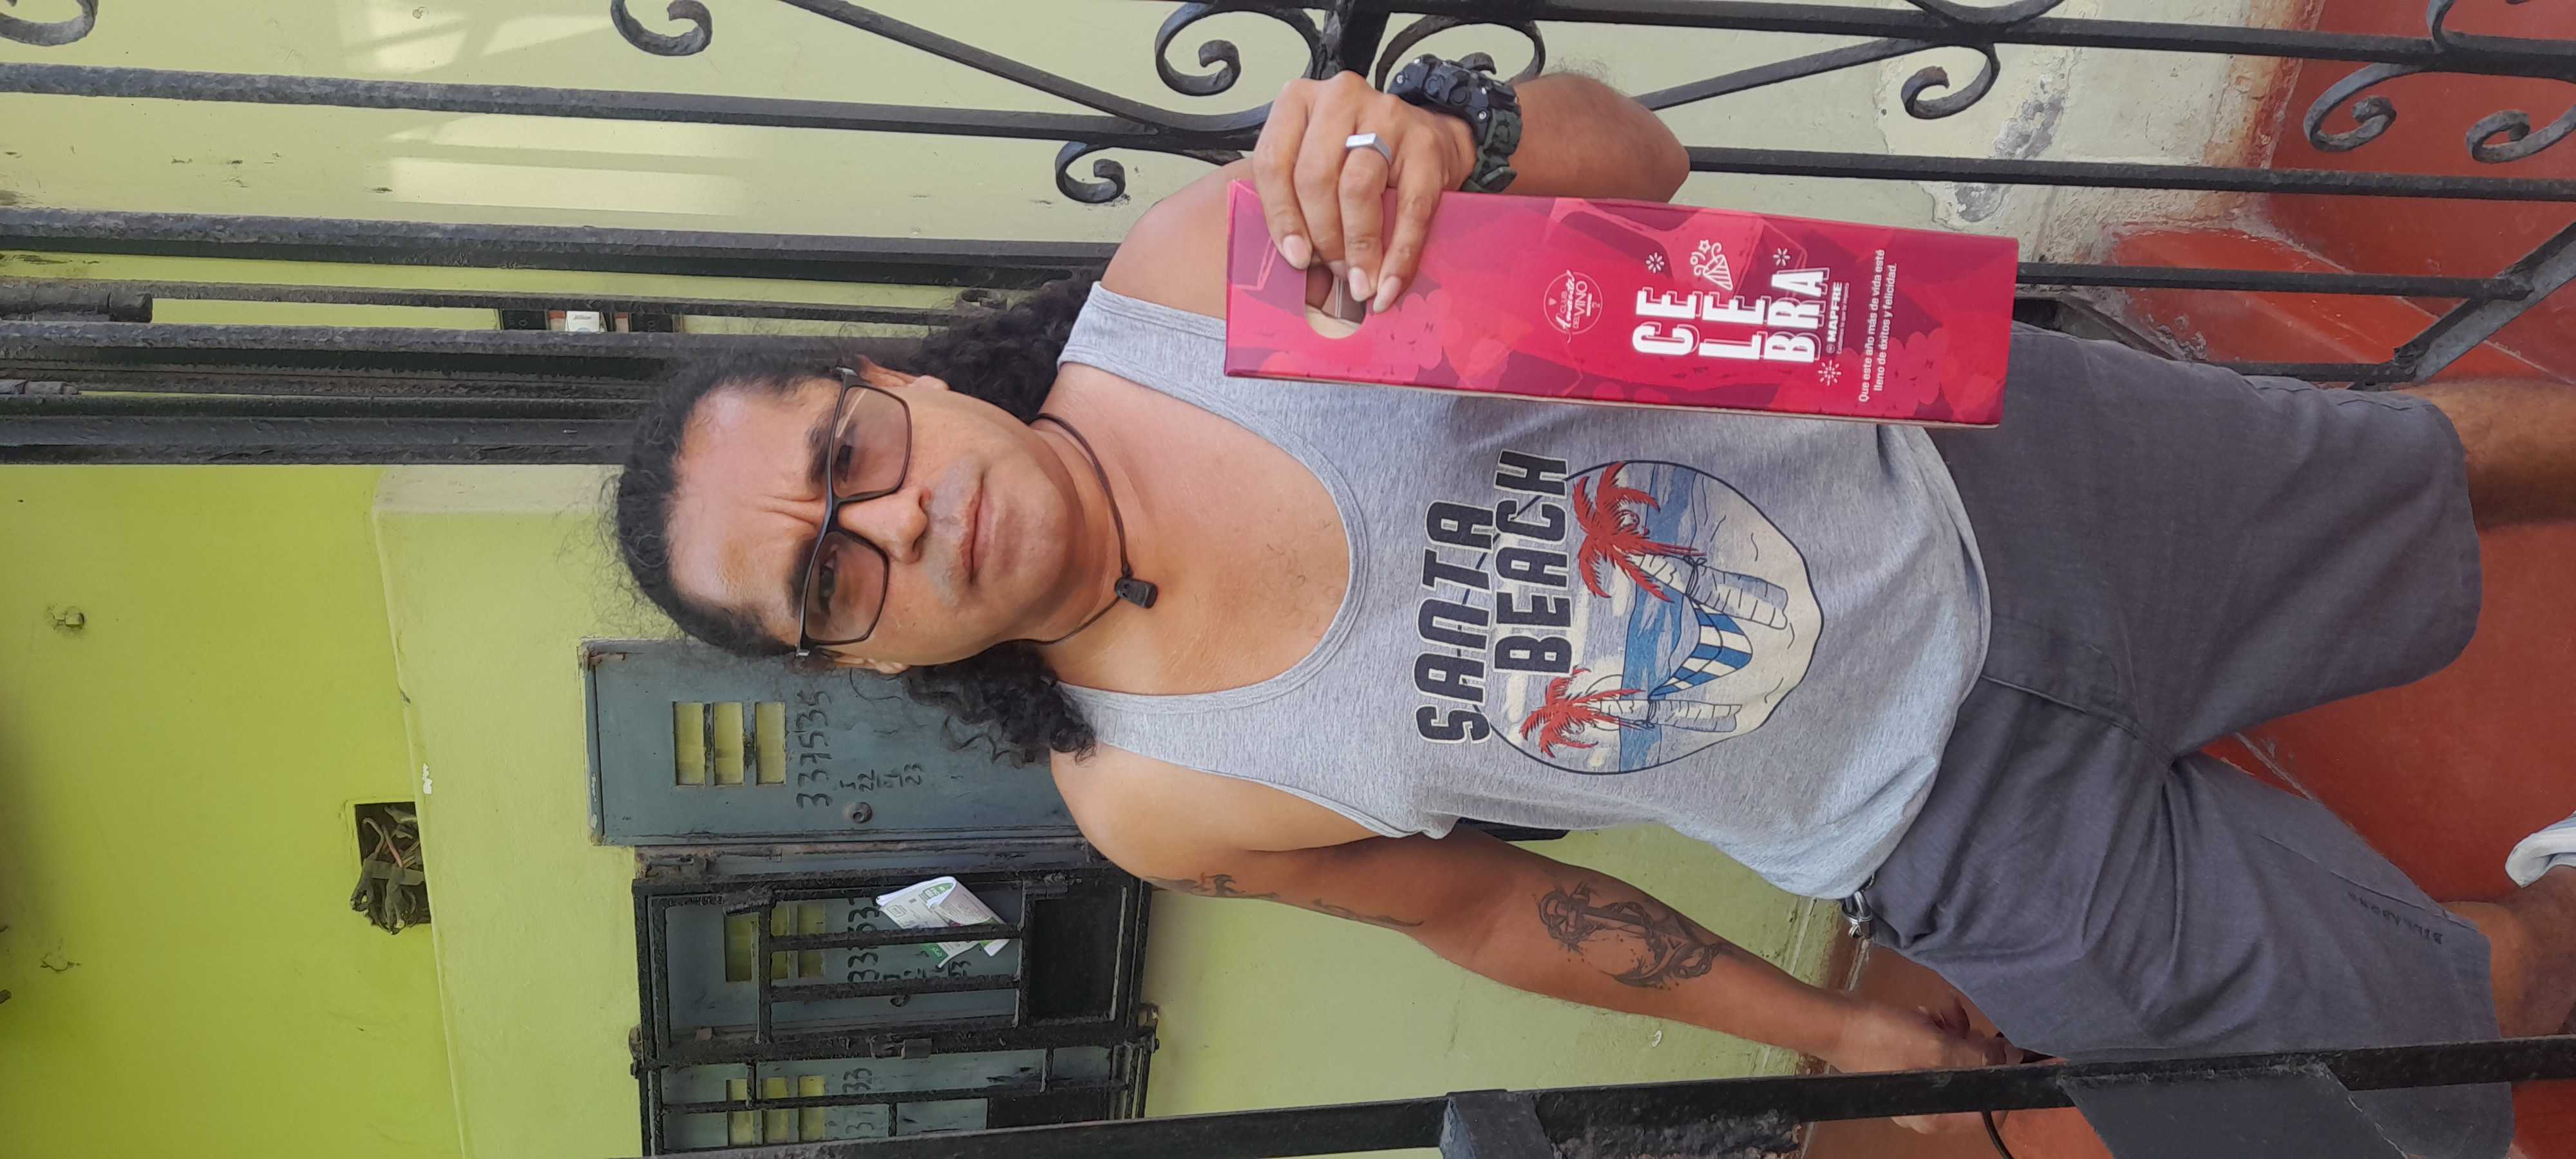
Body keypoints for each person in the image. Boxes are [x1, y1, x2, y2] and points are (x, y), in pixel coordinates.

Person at [612, 62, 2576, 1155]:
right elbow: (1480, 908)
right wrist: (1826, 1027)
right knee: (2388, 1059)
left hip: (1994, 488)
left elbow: (1635, 165)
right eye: (829, 577)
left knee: (2426, 470)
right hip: (1947, 833)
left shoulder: (1200, 277)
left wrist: (1450, 130)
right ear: (858, 660)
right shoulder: (1150, 795)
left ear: (903, 379)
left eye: (851, 450)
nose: (899, 520)